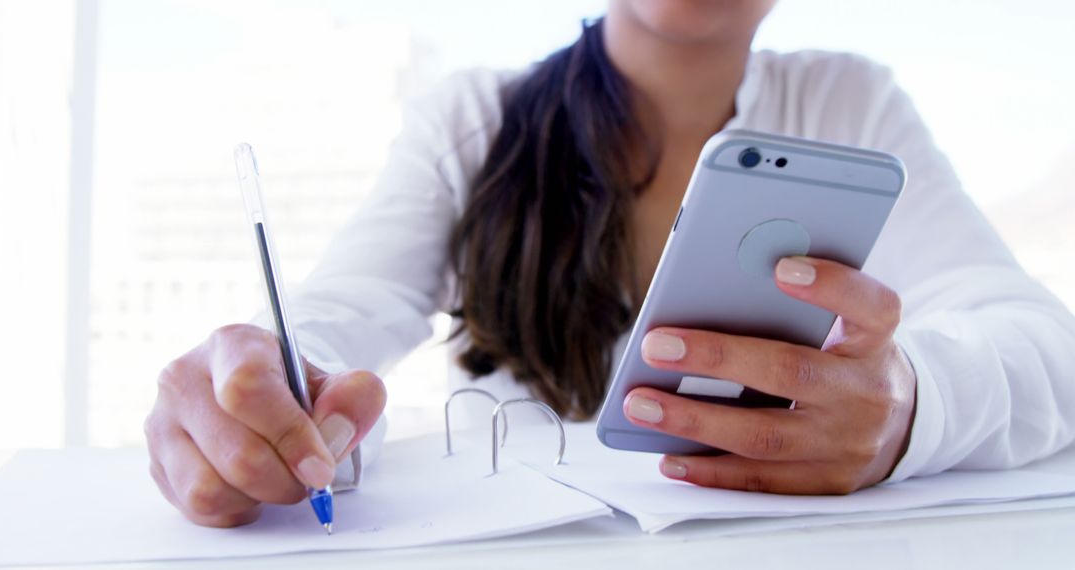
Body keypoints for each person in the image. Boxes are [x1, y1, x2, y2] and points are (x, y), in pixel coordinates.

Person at [145, 0, 1075, 528]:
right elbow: (339, 317)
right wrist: (270, 387)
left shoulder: (849, 103)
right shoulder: (474, 119)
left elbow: (1044, 350)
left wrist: (913, 403)